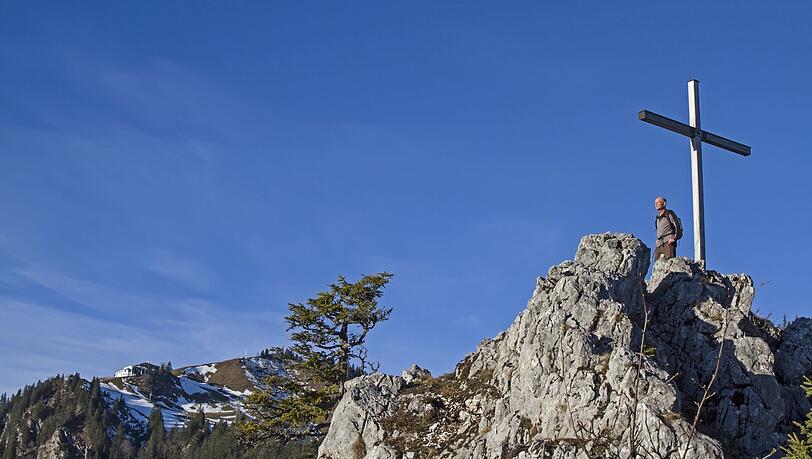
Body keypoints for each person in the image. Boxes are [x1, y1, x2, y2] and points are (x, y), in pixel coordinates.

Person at [654, 196, 681, 261]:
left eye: (658, 202)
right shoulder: (657, 218)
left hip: (668, 242)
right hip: (659, 244)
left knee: (670, 261)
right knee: (657, 265)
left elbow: (678, 226)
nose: (656, 204)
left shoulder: (669, 213)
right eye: (655, 203)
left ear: (664, 203)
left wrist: (675, 238)